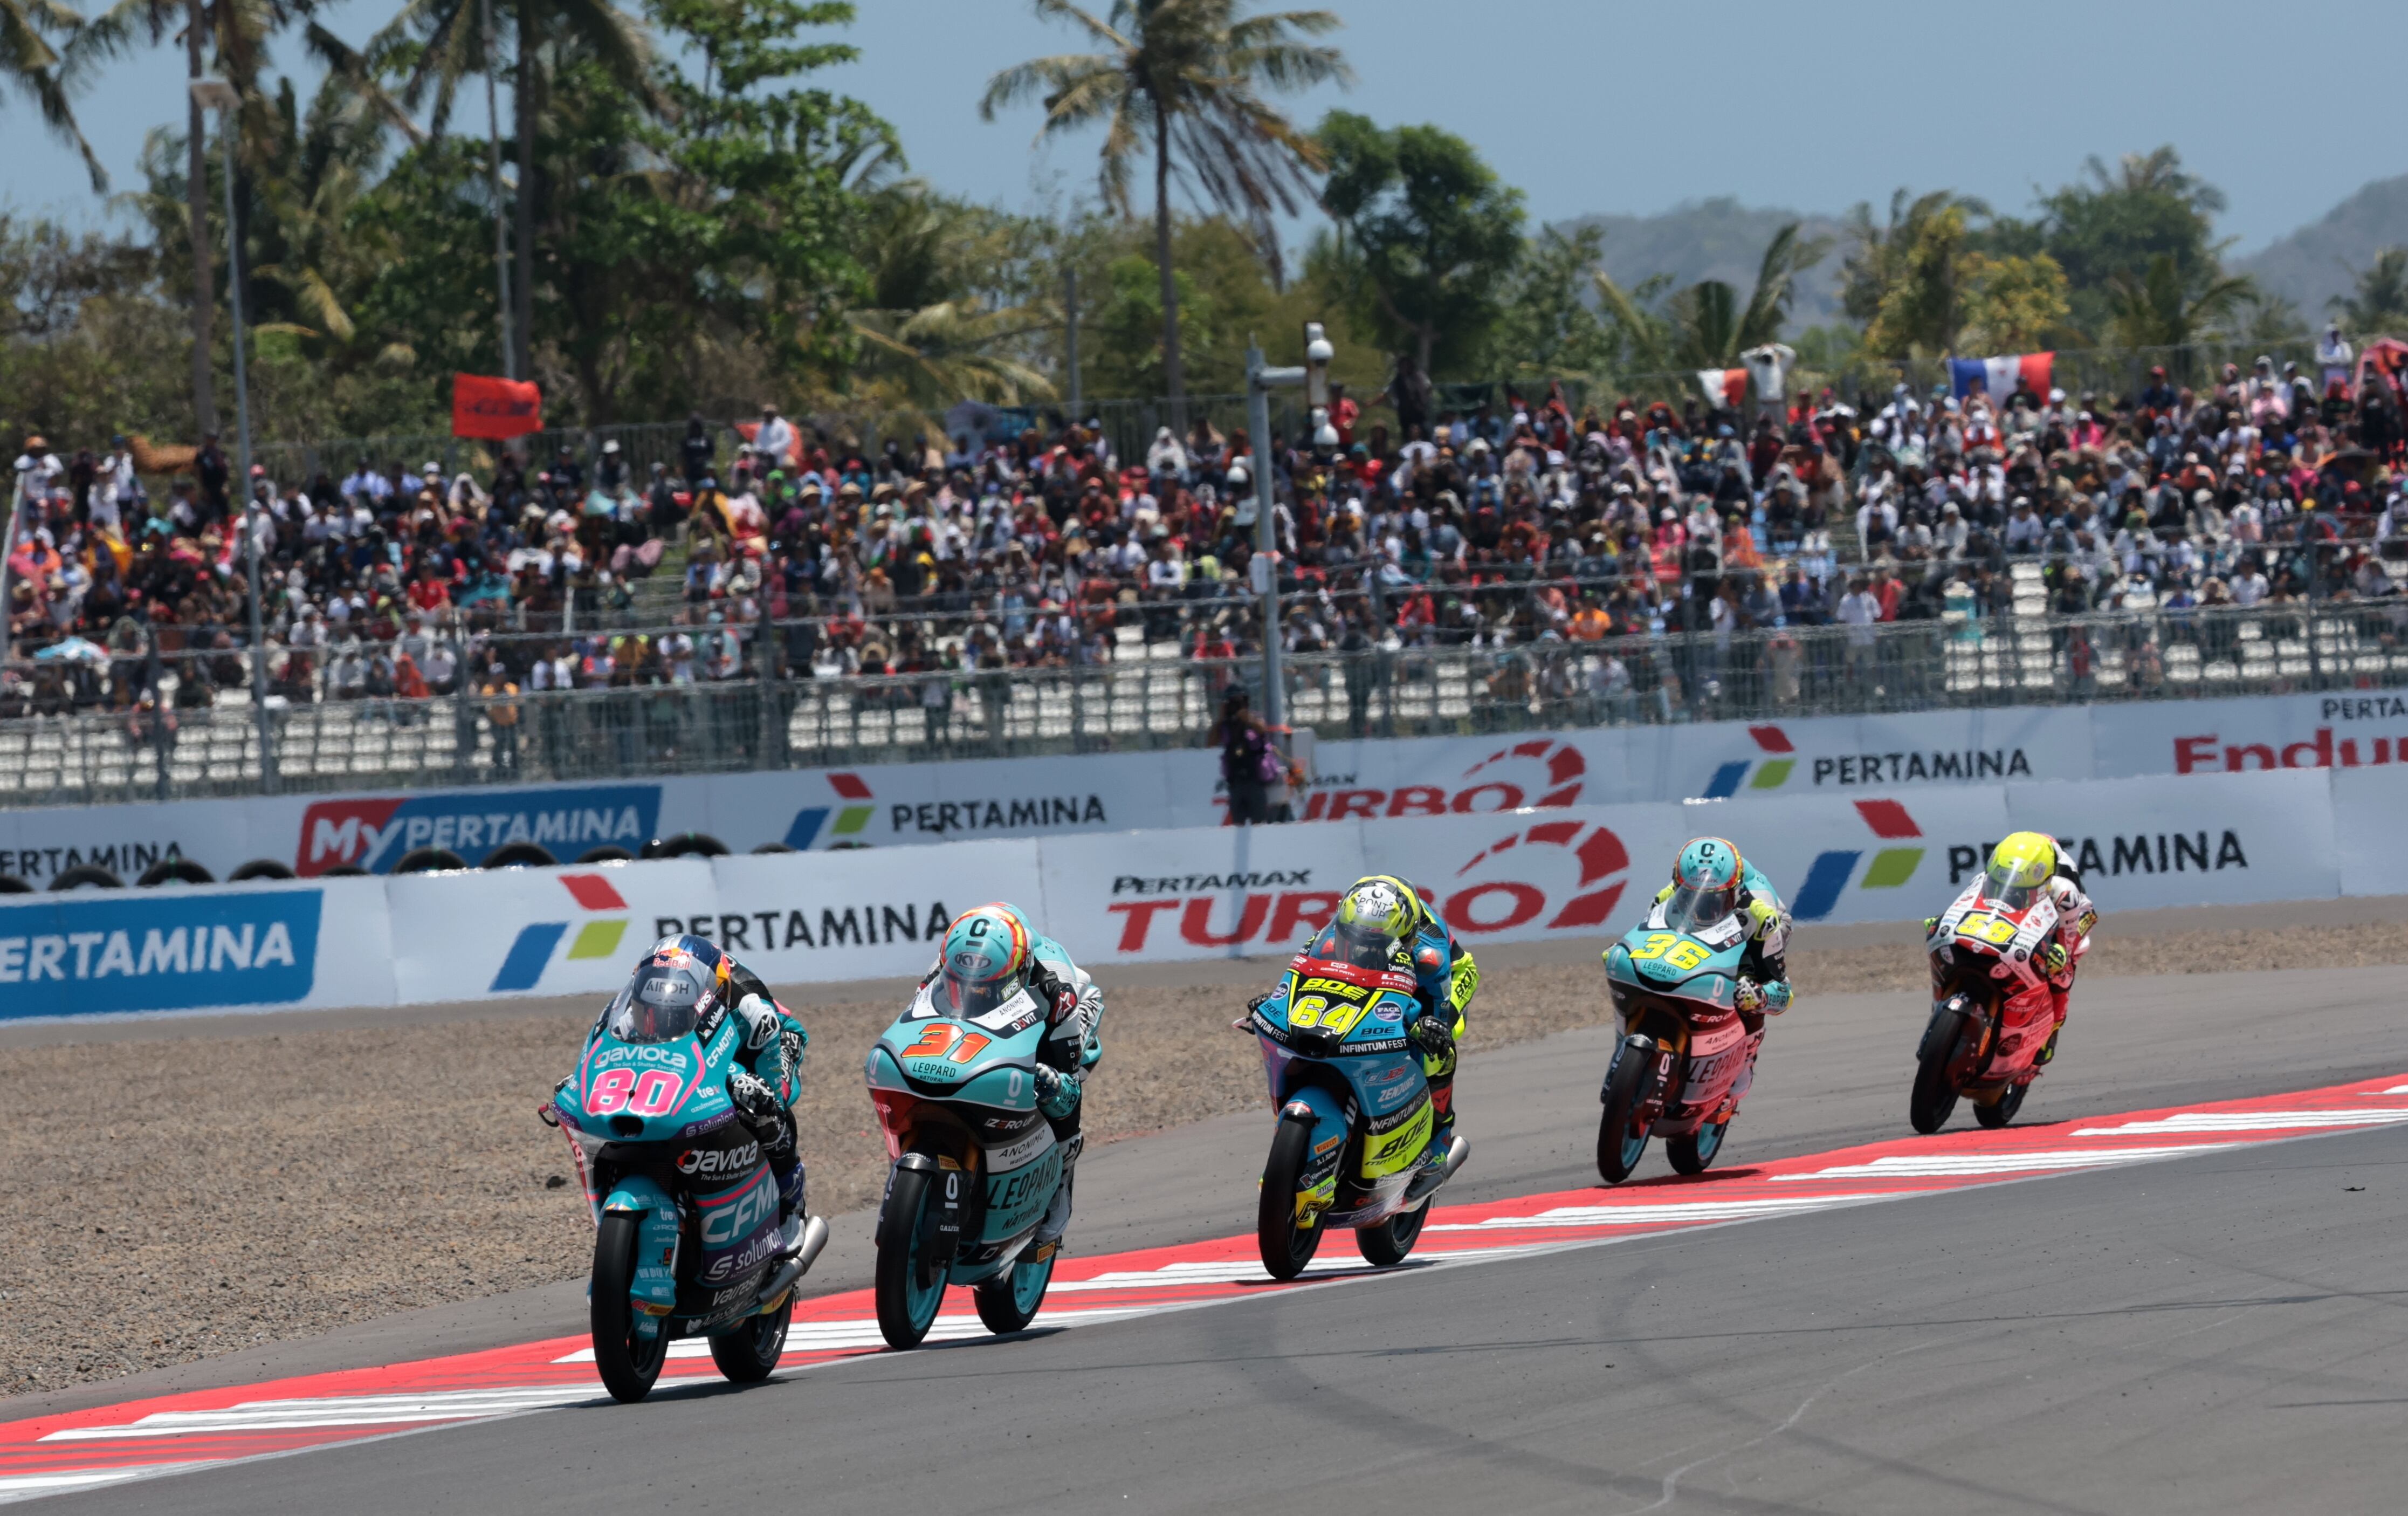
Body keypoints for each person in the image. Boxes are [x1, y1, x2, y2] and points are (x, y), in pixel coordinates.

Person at [573, 936, 813, 1246]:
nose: (659, 1019)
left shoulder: (752, 1010)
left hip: (765, 1042)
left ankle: (792, 1205)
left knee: (766, 1108)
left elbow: (771, 1090)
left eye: (672, 1014)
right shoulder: (639, 1001)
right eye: (652, 1011)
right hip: (695, 1046)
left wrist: (751, 1087)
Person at [927, 903, 1104, 1252]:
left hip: (1065, 1016)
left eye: (986, 986)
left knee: (1054, 1090)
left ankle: (1062, 1182)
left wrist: (1056, 1082)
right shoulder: (947, 963)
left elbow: (1068, 1087)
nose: (974, 992)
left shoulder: (1057, 990)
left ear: (1018, 973)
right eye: (966, 984)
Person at [1322, 875, 1480, 1152]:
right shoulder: (1340, 927)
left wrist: (1432, 1029)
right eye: (1356, 939)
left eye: (1377, 944)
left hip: (1445, 982)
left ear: (1408, 938)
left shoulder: (1430, 956)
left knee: (1437, 1051)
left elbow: (1437, 1008)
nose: (1365, 949)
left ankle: (1439, 1139)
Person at [1926, 832, 2097, 1064]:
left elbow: (2065, 940)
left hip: (2073, 918)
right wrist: (1943, 920)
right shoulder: (1983, 878)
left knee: (2061, 975)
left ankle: (2051, 1036)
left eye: (2021, 889)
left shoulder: (2064, 894)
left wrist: (2059, 954)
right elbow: (1965, 904)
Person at [1639, 838, 1793, 1018]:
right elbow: (1643, 939)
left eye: (1716, 901)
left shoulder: (1762, 918)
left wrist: (1761, 996)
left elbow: (1785, 994)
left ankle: (1746, 1036)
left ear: (1736, 892)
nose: (1703, 912)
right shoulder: (1667, 896)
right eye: (1690, 897)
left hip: (1755, 932)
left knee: (1744, 990)